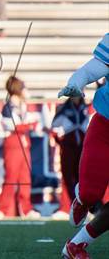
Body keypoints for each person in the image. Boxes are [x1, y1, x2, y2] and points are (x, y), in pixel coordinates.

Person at [58, 33, 109, 258]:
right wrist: (75, 83)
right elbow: (92, 69)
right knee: (91, 193)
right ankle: (82, 199)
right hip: (106, 125)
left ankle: (76, 245)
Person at [0, 76, 40, 219]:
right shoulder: (8, 107)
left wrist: (28, 125)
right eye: (23, 87)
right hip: (13, 144)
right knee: (11, 177)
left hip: (24, 144)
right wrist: (30, 125)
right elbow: (14, 127)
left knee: (25, 178)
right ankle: (2, 210)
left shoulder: (22, 106)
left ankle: (26, 209)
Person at [50, 97, 89, 218]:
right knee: (68, 175)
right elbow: (55, 124)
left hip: (82, 144)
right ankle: (69, 205)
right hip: (69, 144)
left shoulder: (86, 107)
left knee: (81, 176)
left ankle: (84, 206)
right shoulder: (64, 108)